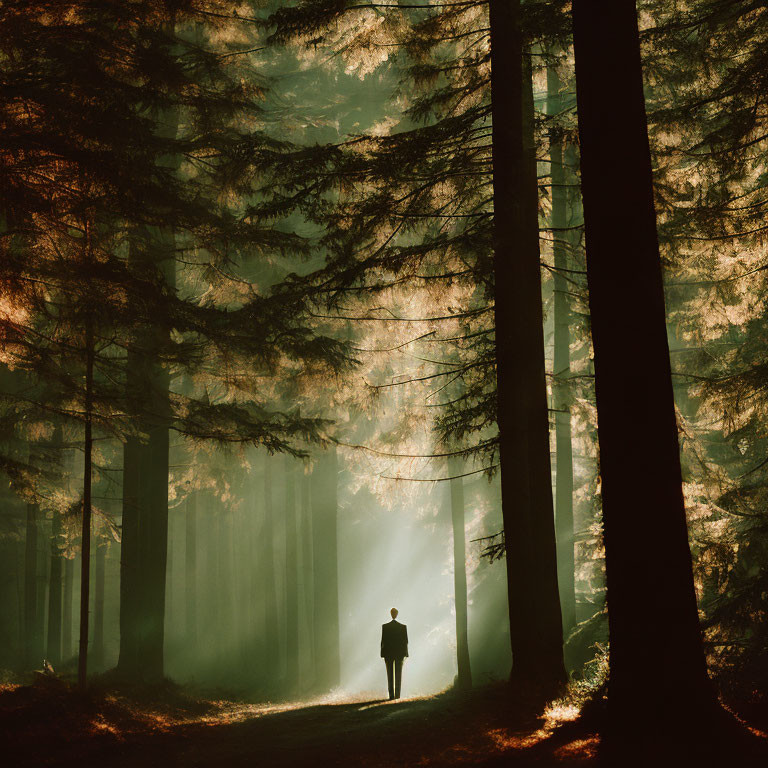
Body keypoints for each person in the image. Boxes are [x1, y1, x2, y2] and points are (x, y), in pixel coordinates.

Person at [380, 607, 408, 700]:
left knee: (390, 675)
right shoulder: (403, 627)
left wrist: (382, 654)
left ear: (391, 614)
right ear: (397, 614)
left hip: (388, 653)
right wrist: (406, 653)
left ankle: (391, 695)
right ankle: (397, 695)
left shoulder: (385, 627)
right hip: (399, 654)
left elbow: (383, 641)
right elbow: (405, 642)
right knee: (398, 674)